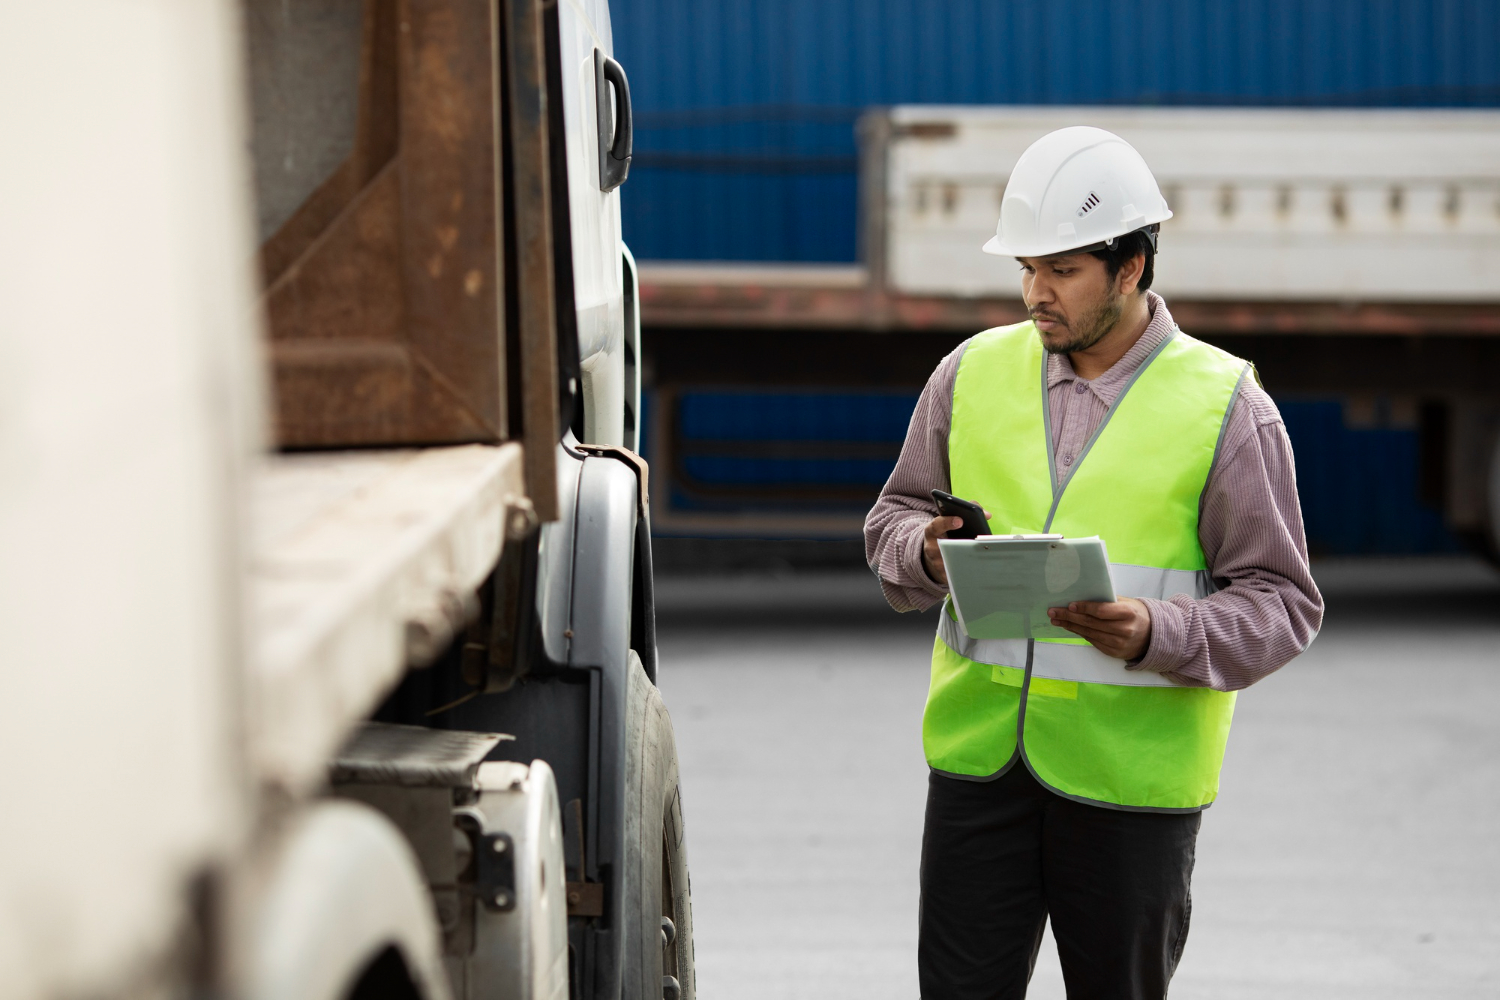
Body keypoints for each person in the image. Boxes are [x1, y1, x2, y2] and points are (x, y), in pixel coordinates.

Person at [863, 126, 1324, 999]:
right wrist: (923, 550)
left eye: (1064, 270)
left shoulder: (1228, 409)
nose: (1038, 293)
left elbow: (1282, 603)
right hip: (977, 772)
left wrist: (1158, 630)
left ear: (1132, 269)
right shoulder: (968, 374)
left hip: (1130, 791)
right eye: (1027, 269)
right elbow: (893, 517)